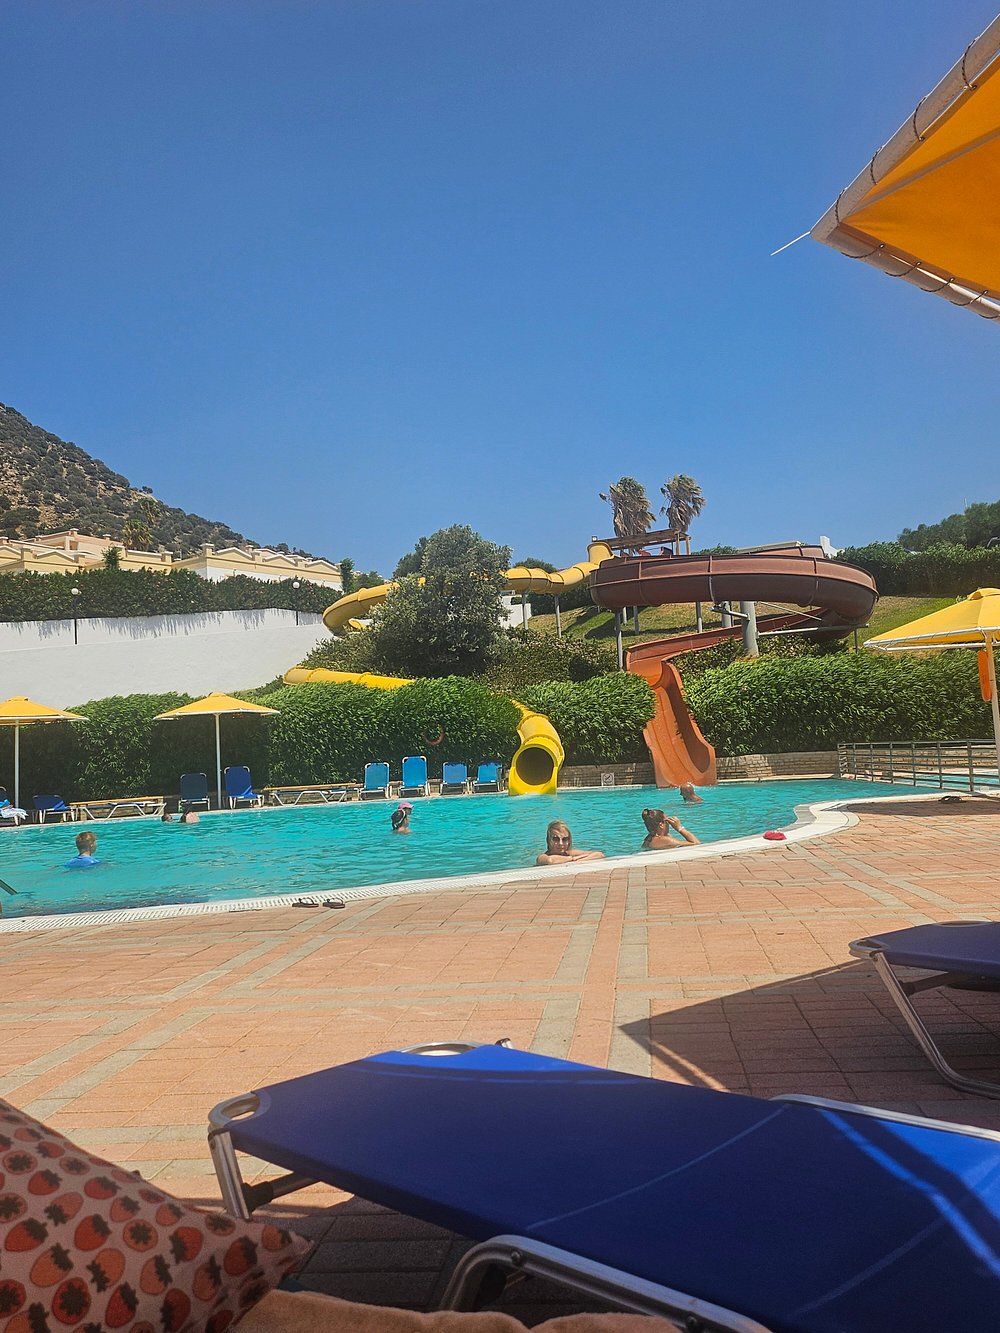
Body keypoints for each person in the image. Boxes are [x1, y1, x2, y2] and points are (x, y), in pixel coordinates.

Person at [536, 820, 604, 866]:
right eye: (556, 839)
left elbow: (599, 854)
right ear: (548, 840)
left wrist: (578, 860)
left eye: (565, 839)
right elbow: (550, 861)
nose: (561, 843)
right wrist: (571, 858)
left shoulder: (570, 853)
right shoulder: (542, 857)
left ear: (569, 841)